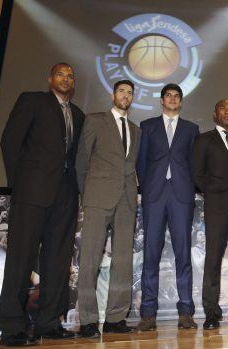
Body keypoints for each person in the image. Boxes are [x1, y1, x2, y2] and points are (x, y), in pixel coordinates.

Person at [0, 62, 85, 346]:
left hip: (65, 196)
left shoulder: (78, 114)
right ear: (50, 79)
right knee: (21, 258)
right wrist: (19, 184)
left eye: (70, 76)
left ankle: (48, 322)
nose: (66, 78)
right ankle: (11, 326)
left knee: (58, 261)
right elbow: (10, 141)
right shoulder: (31, 101)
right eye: (61, 74)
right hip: (32, 193)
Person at [75, 79, 141, 337]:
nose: (126, 95)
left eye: (130, 92)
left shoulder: (136, 130)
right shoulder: (95, 120)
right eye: (122, 91)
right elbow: (82, 161)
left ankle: (116, 318)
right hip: (98, 198)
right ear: (113, 95)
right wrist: (88, 193)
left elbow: (131, 165)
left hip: (126, 200)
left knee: (123, 261)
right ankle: (89, 321)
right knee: (90, 258)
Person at [136, 84, 200, 330]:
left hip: (181, 196)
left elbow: (194, 164)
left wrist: (190, 189)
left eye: (176, 96)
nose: (172, 99)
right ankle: (148, 313)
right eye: (168, 96)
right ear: (162, 100)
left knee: (183, 254)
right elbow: (141, 163)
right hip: (154, 195)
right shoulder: (147, 126)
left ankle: (186, 311)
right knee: (151, 253)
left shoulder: (191, 129)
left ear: (181, 102)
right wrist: (146, 190)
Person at [192, 99, 228, 329]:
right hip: (217, 207)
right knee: (213, 260)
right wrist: (213, 192)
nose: (227, 111)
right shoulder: (204, 139)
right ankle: (212, 313)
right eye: (222, 108)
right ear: (214, 114)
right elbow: (197, 173)